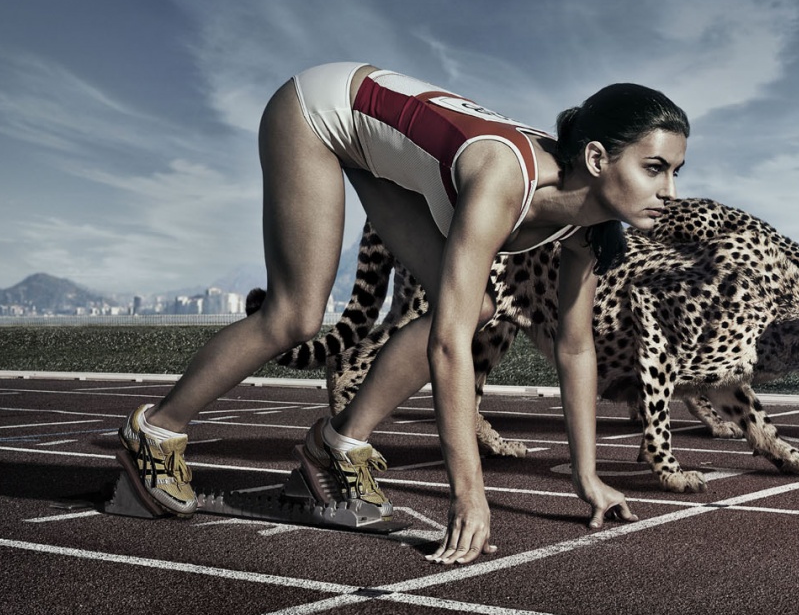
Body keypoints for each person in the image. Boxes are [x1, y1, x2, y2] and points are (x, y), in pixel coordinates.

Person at [115, 62, 689, 564]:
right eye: (654, 168)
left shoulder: (589, 228)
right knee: (296, 316)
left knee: (477, 306)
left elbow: (576, 346)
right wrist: (468, 496)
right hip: (320, 110)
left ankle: (335, 447)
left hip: (375, 142)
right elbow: (449, 346)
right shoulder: (506, 177)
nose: (670, 191)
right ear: (596, 158)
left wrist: (587, 477)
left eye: (675, 172)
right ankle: (154, 432)